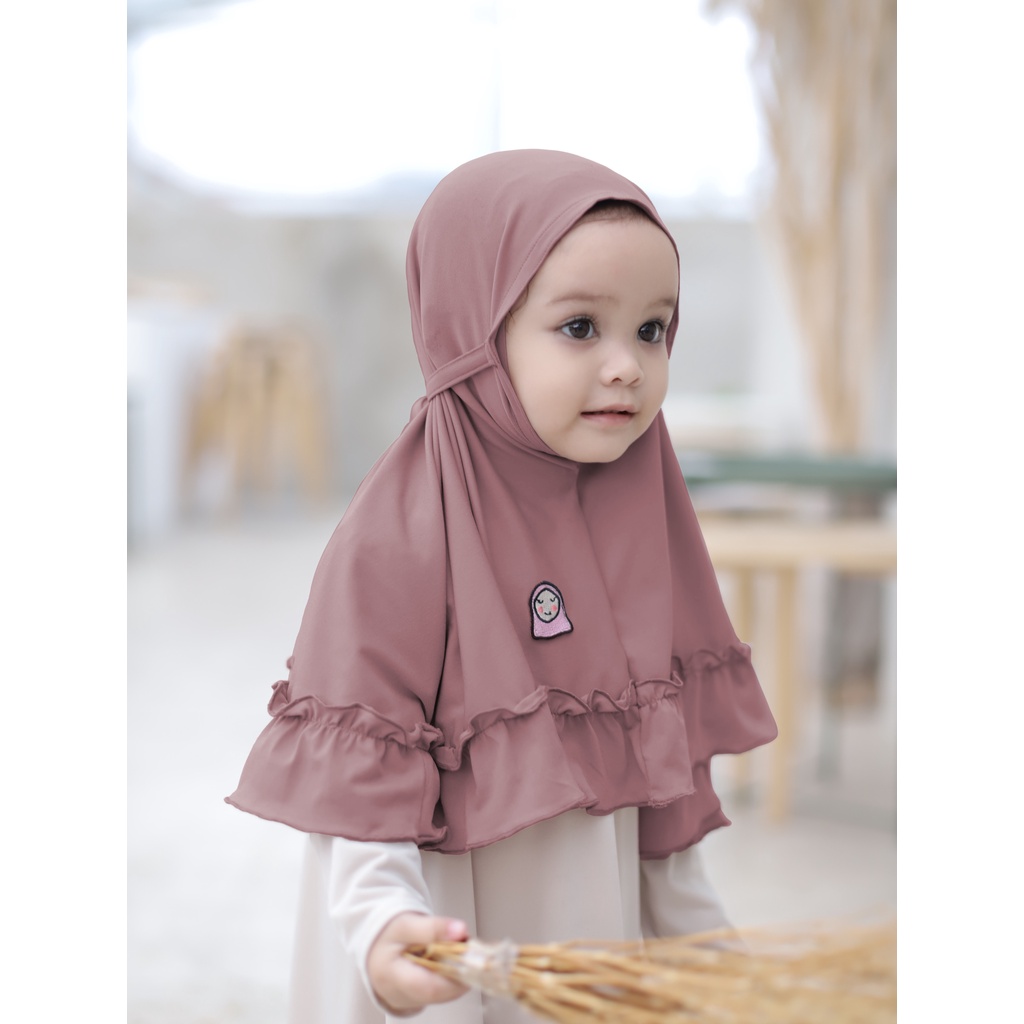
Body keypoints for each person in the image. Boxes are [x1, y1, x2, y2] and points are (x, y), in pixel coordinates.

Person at [226, 149, 777, 1023]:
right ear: (474, 334)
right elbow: (361, 794)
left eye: (652, 330)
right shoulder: (400, 538)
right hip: (438, 950)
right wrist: (384, 923)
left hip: (580, 958)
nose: (628, 366)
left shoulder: (644, 515)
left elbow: (656, 809)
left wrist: (716, 965)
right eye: (580, 327)